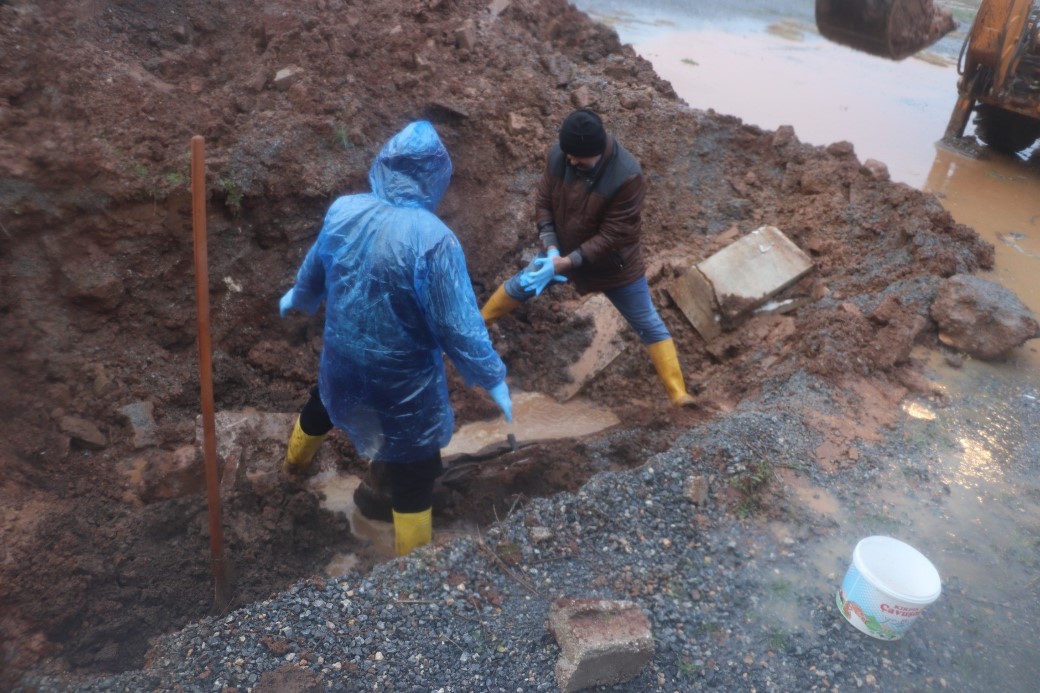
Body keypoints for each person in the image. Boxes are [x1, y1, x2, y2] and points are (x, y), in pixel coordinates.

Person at [278, 120, 513, 556]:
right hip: (403, 379)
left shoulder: (344, 210)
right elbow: (458, 328)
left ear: (383, 163)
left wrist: (301, 297)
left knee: (322, 406)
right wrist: (492, 376)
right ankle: (413, 569)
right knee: (414, 470)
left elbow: (314, 269)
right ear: (436, 176)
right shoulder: (435, 240)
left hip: (343, 359)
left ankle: (291, 469)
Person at [480, 108, 696, 407]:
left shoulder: (627, 175)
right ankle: (475, 330)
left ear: (595, 152)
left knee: (648, 322)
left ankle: (679, 395)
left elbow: (613, 234)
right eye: (567, 154)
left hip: (613, 265)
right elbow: (543, 201)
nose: (570, 161)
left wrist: (568, 261)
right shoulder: (560, 155)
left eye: (577, 158)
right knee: (520, 285)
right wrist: (552, 249)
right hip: (560, 254)